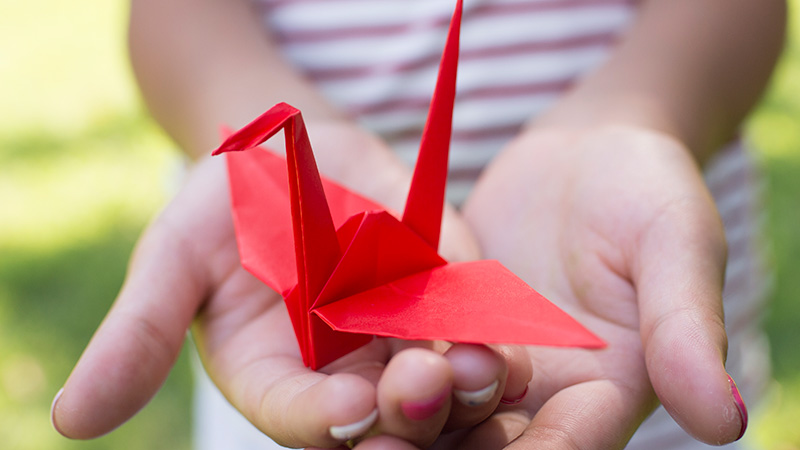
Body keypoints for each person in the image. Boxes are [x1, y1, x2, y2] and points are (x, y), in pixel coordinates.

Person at [51, 0, 785, 448]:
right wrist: (248, 115)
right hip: (295, 374)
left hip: (614, 343)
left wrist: (637, 114)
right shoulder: (283, 204)